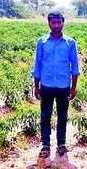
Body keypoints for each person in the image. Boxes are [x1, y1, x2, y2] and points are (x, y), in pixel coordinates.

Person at [32, 11, 80, 158]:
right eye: (53, 22)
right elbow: (38, 65)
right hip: (46, 85)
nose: (56, 25)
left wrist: (73, 87)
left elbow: (75, 67)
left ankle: (61, 144)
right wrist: (36, 85)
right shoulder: (42, 42)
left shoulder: (70, 43)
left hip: (63, 86)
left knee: (62, 116)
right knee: (45, 116)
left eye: (59, 22)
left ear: (63, 23)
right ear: (49, 23)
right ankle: (45, 145)